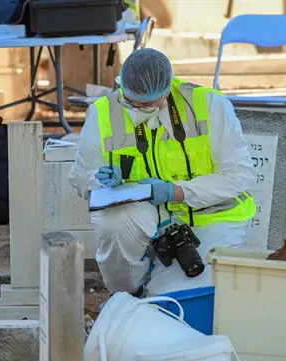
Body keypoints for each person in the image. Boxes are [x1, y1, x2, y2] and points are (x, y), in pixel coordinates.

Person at [69, 48, 257, 297]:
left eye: (145, 104)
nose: (136, 108)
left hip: (211, 219)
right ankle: (128, 291)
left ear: (166, 91)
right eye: (129, 100)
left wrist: (176, 192)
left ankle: (156, 287)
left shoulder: (209, 105)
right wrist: (98, 178)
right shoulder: (103, 111)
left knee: (197, 294)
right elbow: (81, 176)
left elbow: (239, 175)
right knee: (112, 221)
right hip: (150, 220)